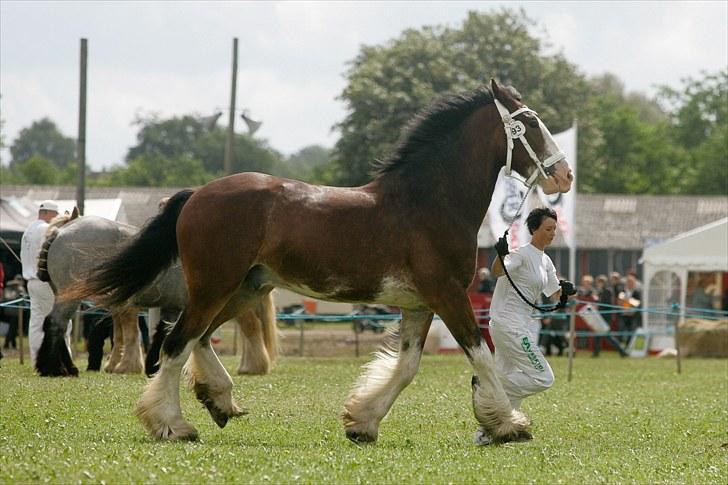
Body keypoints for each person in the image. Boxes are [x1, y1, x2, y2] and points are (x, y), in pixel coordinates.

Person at [479, 207, 575, 445]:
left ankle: (488, 433)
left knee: (509, 374)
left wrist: (565, 293)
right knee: (543, 378)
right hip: (510, 325)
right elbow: (497, 271)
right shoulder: (522, 254)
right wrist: (500, 255)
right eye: (547, 229)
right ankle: (490, 388)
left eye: (554, 229)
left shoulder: (545, 260)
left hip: (517, 325)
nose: (552, 233)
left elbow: (553, 293)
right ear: (534, 230)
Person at [20, 200, 70, 367]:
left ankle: (36, 360)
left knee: (36, 322)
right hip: (45, 281)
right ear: (49, 213)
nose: (56, 219)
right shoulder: (46, 229)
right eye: (55, 215)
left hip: (31, 281)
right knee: (62, 321)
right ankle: (62, 359)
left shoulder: (28, 230)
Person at [617, 273, 641, 345]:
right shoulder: (622, 291)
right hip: (623, 315)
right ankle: (620, 346)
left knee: (631, 331)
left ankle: (628, 346)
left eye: (632, 282)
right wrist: (627, 301)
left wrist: (628, 300)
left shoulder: (636, 292)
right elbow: (619, 302)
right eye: (629, 282)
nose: (630, 284)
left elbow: (637, 303)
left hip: (632, 315)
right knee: (621, 330)